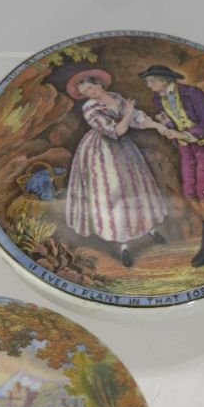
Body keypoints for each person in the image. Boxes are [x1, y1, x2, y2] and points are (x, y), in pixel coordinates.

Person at [64, 69, 172, 268]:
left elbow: (137, 119)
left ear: (100, 84)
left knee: (136, 187)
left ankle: (148, 228)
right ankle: (123, 245)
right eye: (85, 92)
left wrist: (157, 126)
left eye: (91, 87)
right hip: (102, 152)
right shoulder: (89, 108)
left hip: (124, 149)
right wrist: (128, 113)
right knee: (114, 192)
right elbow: (117, 130)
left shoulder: (115, 97)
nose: (90, 92)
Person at [139, 64, 204, 267]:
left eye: (151, 81)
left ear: (163, 80)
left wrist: (183, 133)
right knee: (190, 192)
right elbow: (174, 124)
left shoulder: (192, 93)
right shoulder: (158, 99)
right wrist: (167, 124)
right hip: (186, 148)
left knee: (203, 192)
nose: (148, 85)